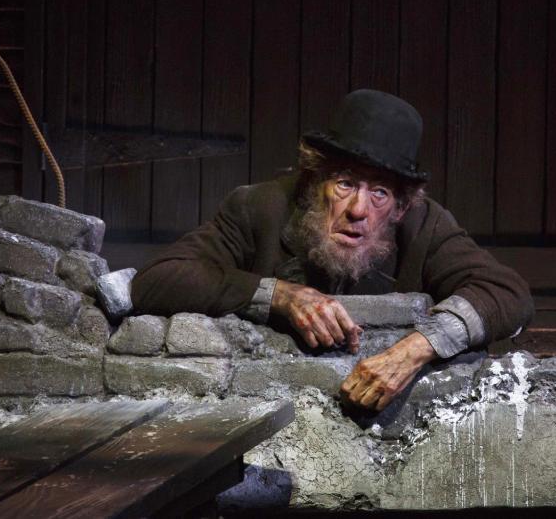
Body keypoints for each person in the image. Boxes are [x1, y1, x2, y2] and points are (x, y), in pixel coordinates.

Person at [132, 89, 534, 411]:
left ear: (400, 206)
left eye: (379, 192)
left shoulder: (424, 224)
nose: (358, 210)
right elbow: (156, 280)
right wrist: (278, 294)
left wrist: (415, 349)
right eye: (345, 183)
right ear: (314, 180)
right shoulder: (260, 207)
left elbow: (509, 295)